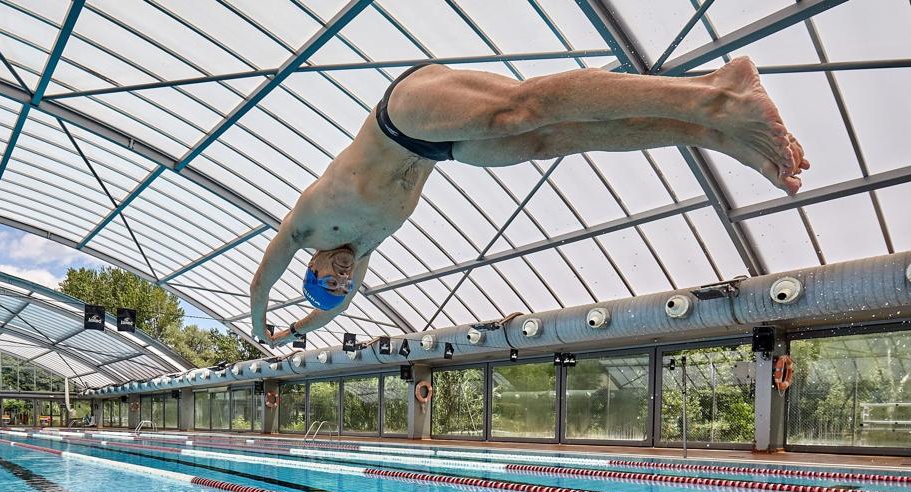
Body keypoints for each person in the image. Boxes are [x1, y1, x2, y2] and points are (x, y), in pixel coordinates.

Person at [250, 57, 808, 346]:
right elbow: (334, 311)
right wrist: (298, 332)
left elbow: (263, 282)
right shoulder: (364, 248)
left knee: (522, 111)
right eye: (343, 284)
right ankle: (712, 130)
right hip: (442, 148)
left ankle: (717, 97)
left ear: (314, 265)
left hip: (403, 117)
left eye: (331, 277)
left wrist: (260, 328)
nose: (343, 277)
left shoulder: (308, 226)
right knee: (552, 140)